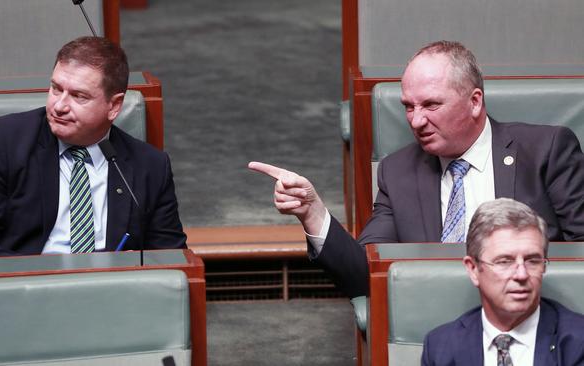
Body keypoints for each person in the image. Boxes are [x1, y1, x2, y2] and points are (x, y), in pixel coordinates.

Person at [249, 40, 584, 298]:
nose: (416, 120)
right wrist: (313, 212)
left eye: (431, 105)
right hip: (437, 325)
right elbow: (363, 275)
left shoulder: (546, 150)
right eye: (408, 107)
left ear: (475, 101)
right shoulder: (398, 173)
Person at [0, 36, 187, 259]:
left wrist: (135, 266)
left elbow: (172, 256)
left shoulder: (150, 166)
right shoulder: (1, 141)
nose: (59, 106)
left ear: (114, 106)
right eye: (56, 89)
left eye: (79, 96)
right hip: (15, 294)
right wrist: (40, 276)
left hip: (109, 297)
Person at [421, 198, 584, 365]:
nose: (521, 275)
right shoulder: (440, 348)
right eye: (504, 261)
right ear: (473, 269)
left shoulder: (578, 343)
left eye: (532, 261)